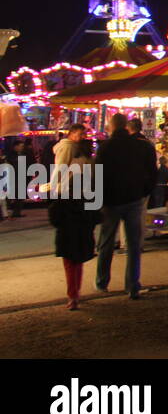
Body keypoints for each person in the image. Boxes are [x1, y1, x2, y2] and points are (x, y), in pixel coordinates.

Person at [94, 113, 157, 299]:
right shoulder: (142, 147)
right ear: (127, 127)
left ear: (111, 127)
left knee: (106, 242)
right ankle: (132, 285)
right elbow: (152, 173)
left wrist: (100, 199)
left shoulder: (105, 148)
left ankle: (102, 282)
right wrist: (144, 191)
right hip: (133, 198)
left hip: (111, 200)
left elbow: (98, 175)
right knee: (133, 244)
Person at [49, 125, 98, 310]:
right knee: (77, 259)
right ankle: (75, 293)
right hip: (83, 218)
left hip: (69, 218)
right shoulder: (91, 166)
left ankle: (73, 295)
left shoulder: (71, 173)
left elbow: (57, 209)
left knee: (70, 261)